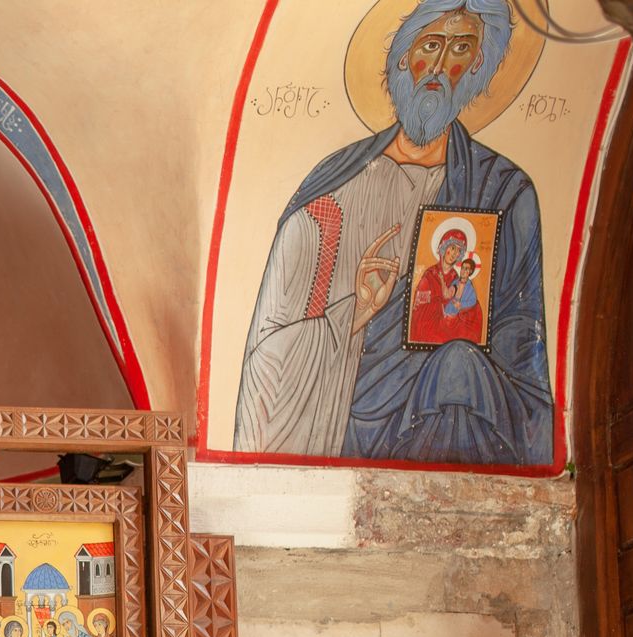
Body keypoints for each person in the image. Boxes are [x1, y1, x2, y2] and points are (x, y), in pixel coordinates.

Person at [233, 0, 550, 466]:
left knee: (457, 368)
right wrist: (357, 309)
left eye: (462, 49)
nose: (441, 67)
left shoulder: (503, 189)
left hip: (451, 415)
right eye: (431, 45)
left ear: (478, 66)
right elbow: (269, 351)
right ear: (403, 57)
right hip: (351, 408)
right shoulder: (336, 185)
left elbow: (522, 339)